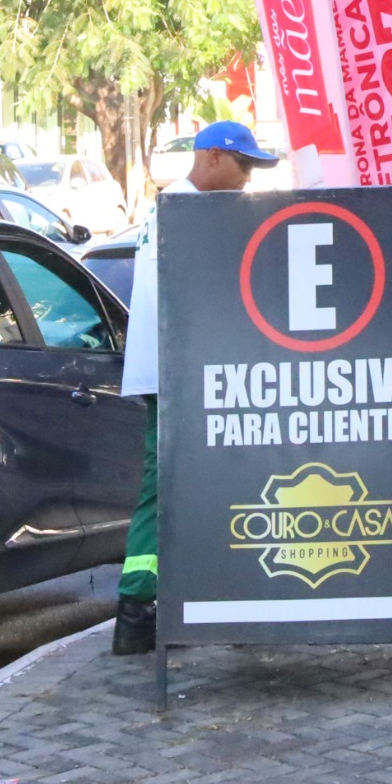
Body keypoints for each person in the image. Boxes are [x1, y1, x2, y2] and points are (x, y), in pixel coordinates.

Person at [113, 121, 280, 656]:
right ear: (210, 156)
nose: (248, 179)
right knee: (172, 489)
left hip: (170, 371)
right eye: (243, 165)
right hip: (179, 374)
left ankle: (163, 607)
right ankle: (140, 609)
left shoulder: (172, 209)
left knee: (177, 488)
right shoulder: (188, 213)